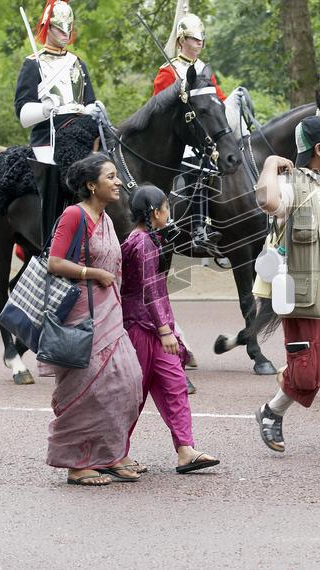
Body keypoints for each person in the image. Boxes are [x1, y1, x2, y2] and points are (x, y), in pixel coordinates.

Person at [252, 115, 320, 454]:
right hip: (310, 292)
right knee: (309, 369)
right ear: (319, 148)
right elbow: (265, 201)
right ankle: (271, 411)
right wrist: (271, 163)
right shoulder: (293, 185)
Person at [45, 153, 143, 486]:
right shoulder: (75, 215)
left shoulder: (107, 218)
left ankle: (109, 454)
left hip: (110, 311)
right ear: (91, 185)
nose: (118, 182)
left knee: (126, 382)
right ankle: (78, 464)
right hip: (81, 316)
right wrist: (93, 272)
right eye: (111, 176)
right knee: (87, 390)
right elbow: (54, 263)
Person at [120, 184, 221, 474]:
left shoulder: (149, 240)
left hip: (155, 327)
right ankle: (117, 452)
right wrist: (166, 331)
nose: (169, 213)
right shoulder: (141, 243)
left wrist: (167, 329)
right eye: (166, 207)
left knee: (175, 385)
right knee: (134, 396)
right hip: (141, 328)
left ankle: (186, 450)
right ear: (155, 212)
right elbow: (151, 292)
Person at [15, 0, 100, 243]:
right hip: (48, 138)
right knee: (53, 180)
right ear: (47, 27)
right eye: (58, 28)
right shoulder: (33, 63)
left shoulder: (77, 63)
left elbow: (88, 101)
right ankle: (50, 240)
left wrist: (94, 110)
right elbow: (22, 113)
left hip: (81, 133)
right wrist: (44, 107)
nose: (64, 34)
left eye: (68, 29)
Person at [152, 0, 227, 251]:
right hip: (179, 137)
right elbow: (159, 109)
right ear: (182, 40)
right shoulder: (168, 70)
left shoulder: (205, 70)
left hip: (204, 136)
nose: (199, 44)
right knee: (196, 171)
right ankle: (195, 228)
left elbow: (219, 100)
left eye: (202, 40)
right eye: (195, 40)